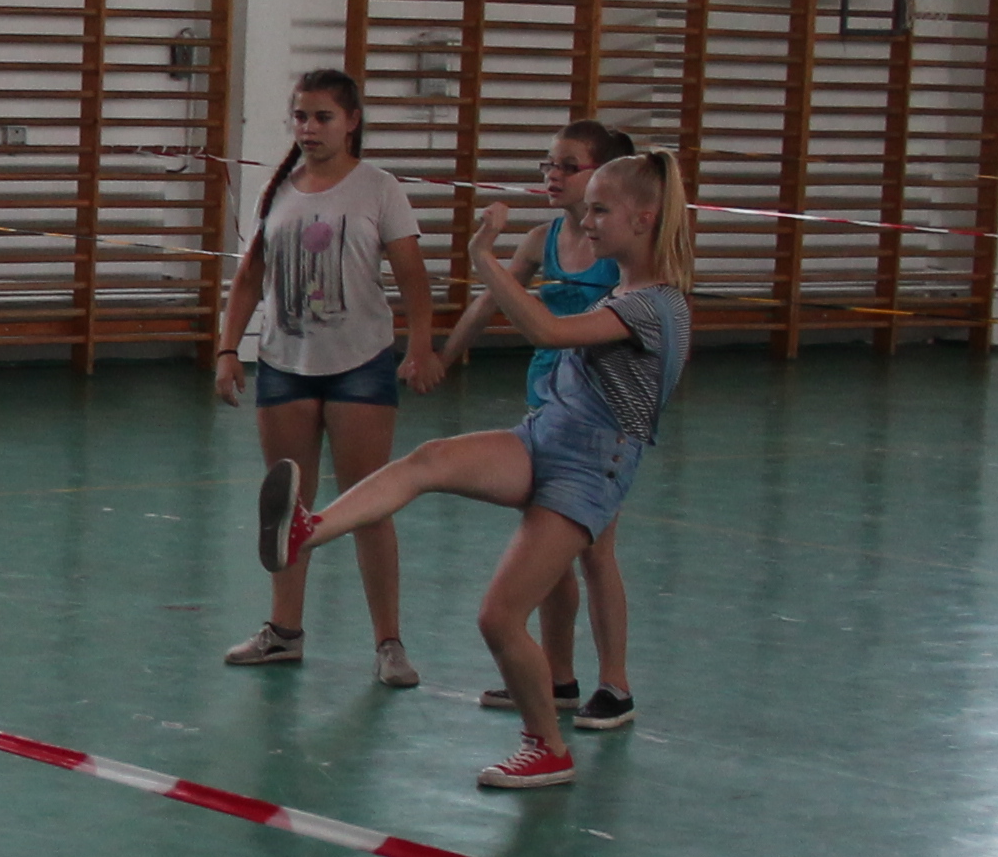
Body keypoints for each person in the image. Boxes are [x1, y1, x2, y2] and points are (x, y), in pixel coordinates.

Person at [259, 152, 697, 791]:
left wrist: (484, 259)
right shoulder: (624, 293)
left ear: (645, 218)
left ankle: (547, 747)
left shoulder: (657, 306)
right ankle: (307, 530)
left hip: (588, 467)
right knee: (428, 459)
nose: (588, 221)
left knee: (498, 617)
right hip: (543, 436)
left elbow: (547, 331)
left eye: (601, 210)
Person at [212, 69, 435, 686]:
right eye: (301, 117)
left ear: (352, 122)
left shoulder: (379, 189)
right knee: (288, 503)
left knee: (369, 504)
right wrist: (228, 349)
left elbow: (413, 277)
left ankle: (389, 642)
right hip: (285, 366)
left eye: (323, 117)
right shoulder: (277, 190)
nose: (309, 128)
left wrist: (420, 346)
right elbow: (249, 278)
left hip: (360, 365)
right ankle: (283, 631)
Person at [421, 118, 641, 734]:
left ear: (601, 177)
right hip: (547, 405)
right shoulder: (541, 240)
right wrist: (444, 356)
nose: (552, 175)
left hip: (601, 418)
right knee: (548, 554)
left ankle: (616, 685)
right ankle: (558, 678)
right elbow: (490, 299)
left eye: (568, 165)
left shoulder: (618, 253)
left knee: (596, 552)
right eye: (549, 163)